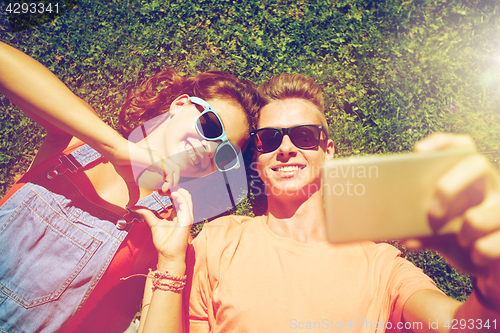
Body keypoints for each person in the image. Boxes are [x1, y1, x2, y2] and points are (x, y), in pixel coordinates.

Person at [137, 73, 500, 332]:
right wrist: (170, 261)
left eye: (304, 136)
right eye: (269, 140)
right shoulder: (218, 241)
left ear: (328, 152)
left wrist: (492, 281)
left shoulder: (381, 265)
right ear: (258, 160)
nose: (287, 149)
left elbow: (466, 326)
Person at [0, 41, 260, 333]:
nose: (211, 148)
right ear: (180, 104)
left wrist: (171, 260)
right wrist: (115, 148)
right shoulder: (74, 140)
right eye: (211, 126)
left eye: (225, 153)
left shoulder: (165, 234)